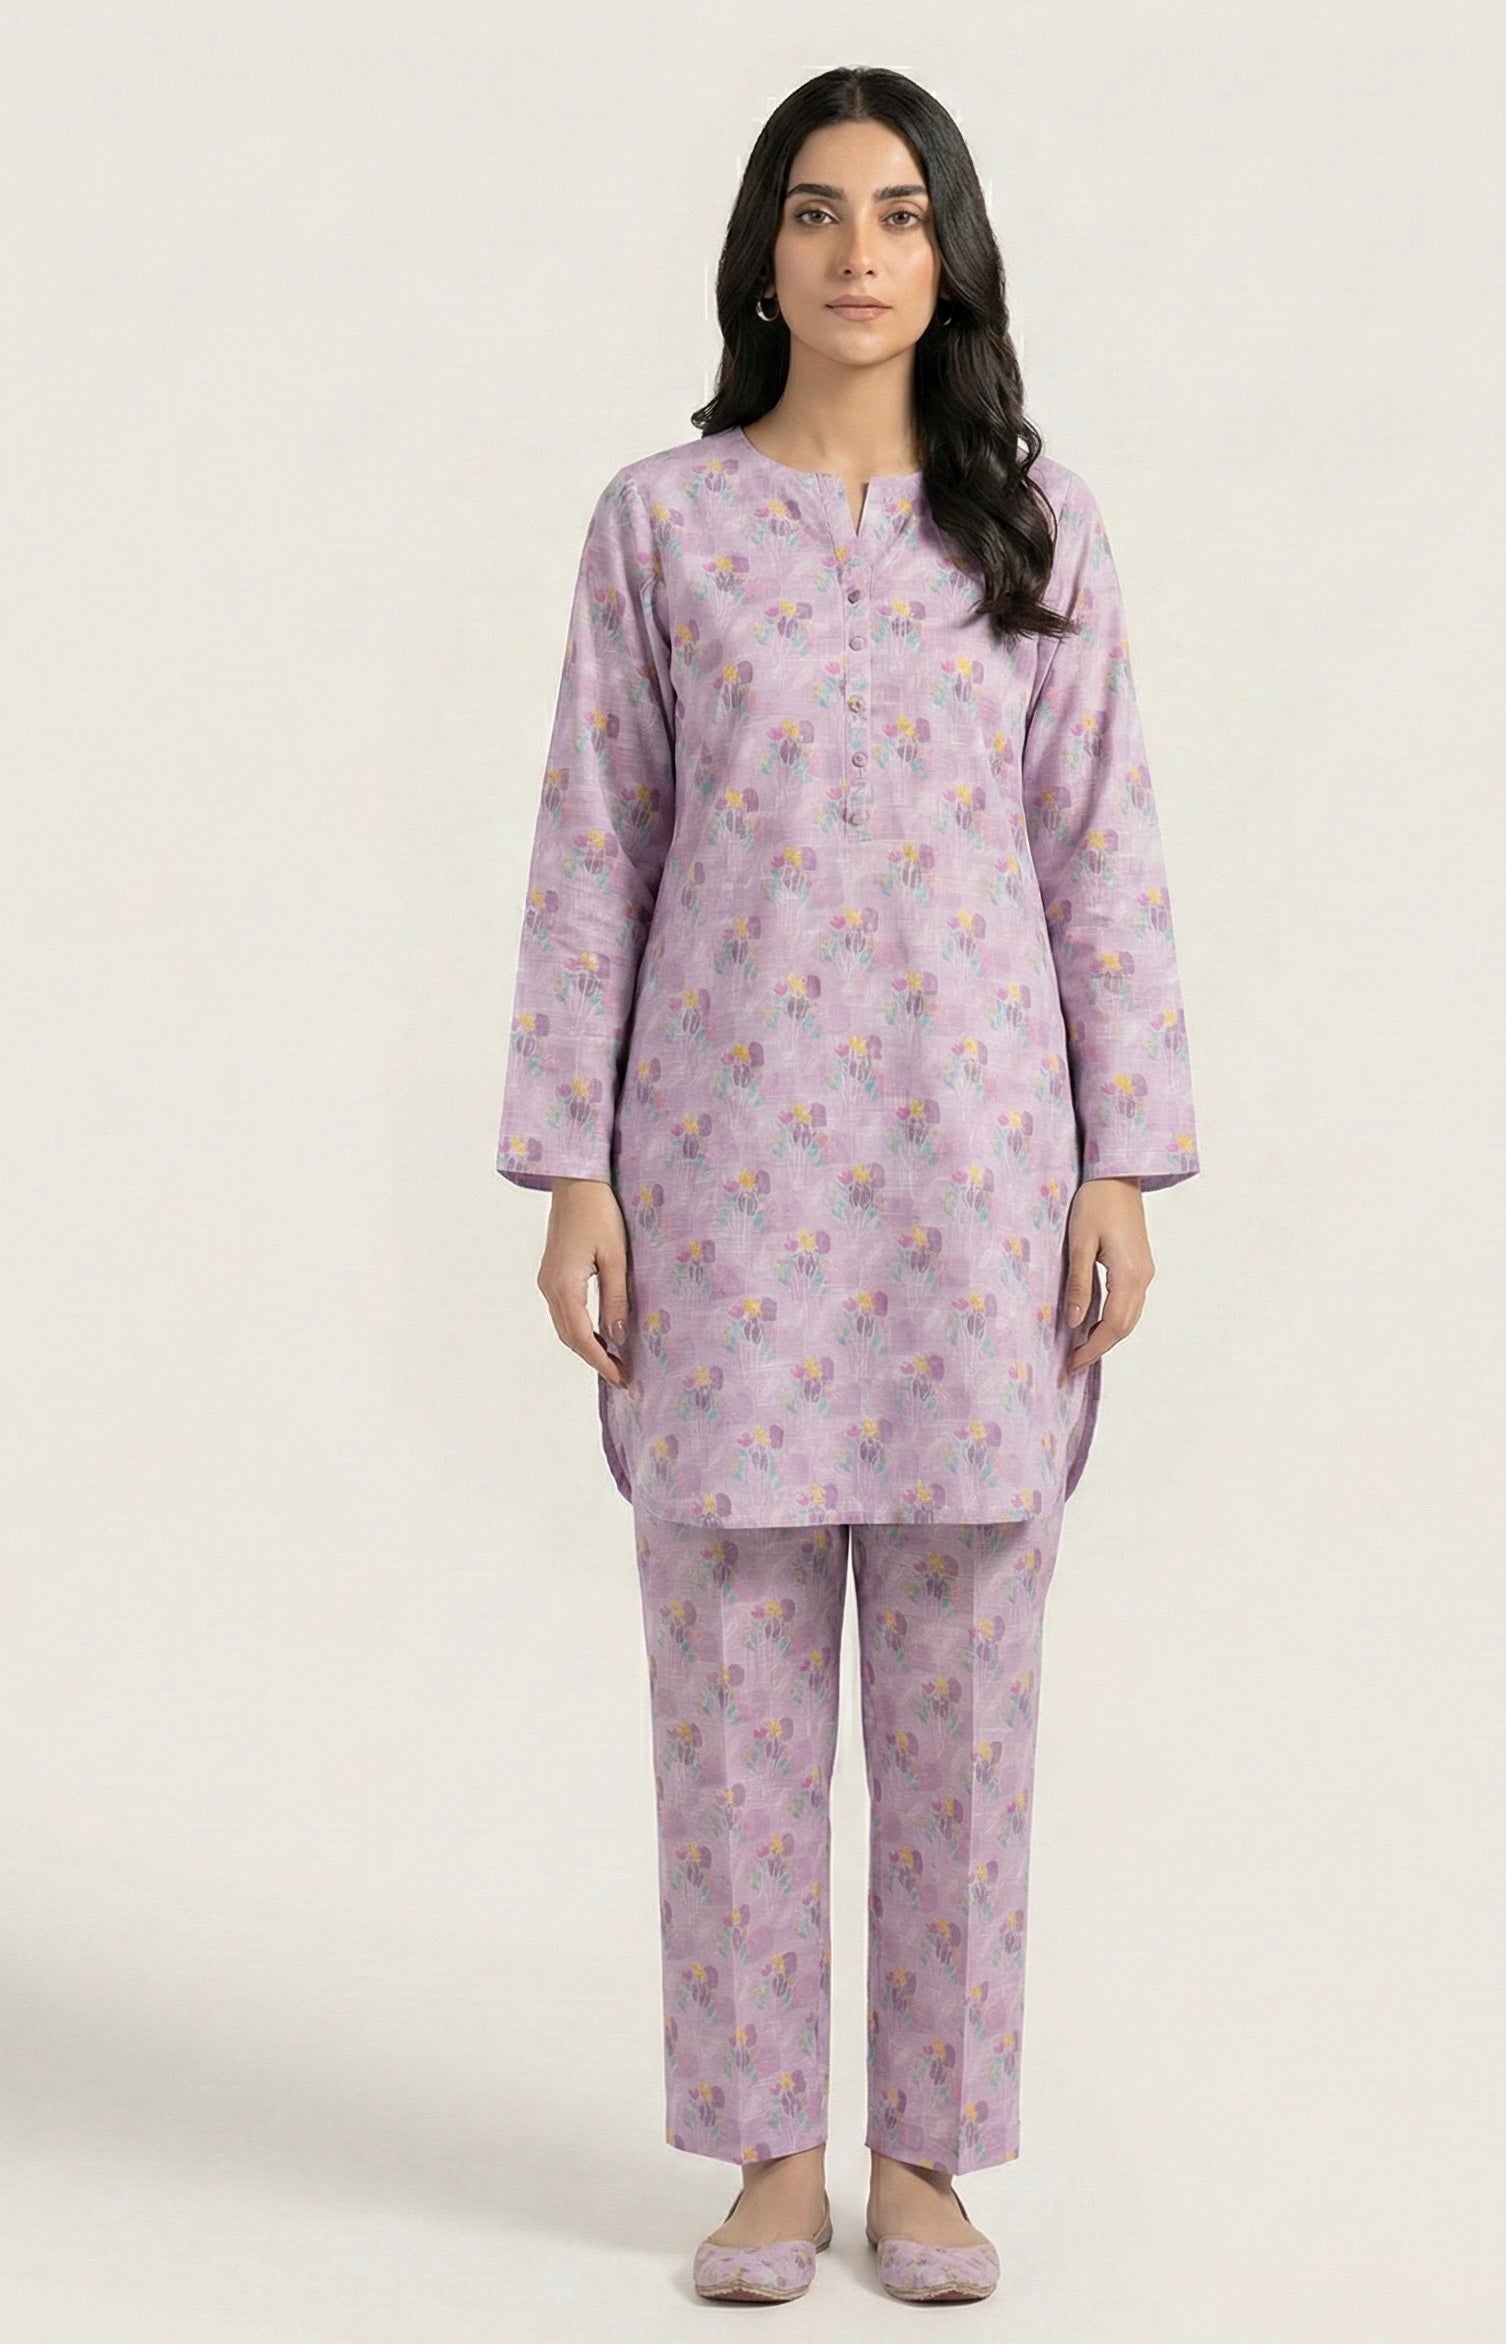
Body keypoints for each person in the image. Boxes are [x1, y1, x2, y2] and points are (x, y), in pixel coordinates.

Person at [495, 64, 1201, 2307]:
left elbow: (1101, 852)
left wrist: (1121, 1156)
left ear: (950, 254)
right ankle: (767, 2160)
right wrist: (572, 1169)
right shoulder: (661, 528)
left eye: (898, 213)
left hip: (975, 1190)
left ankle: (928, 2162)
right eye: (816, 212)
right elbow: (593, 845)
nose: (858, 252)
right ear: (763, 254)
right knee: (727, 1686)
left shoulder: (1037, 532)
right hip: (713, 1184)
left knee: (966, 1693)